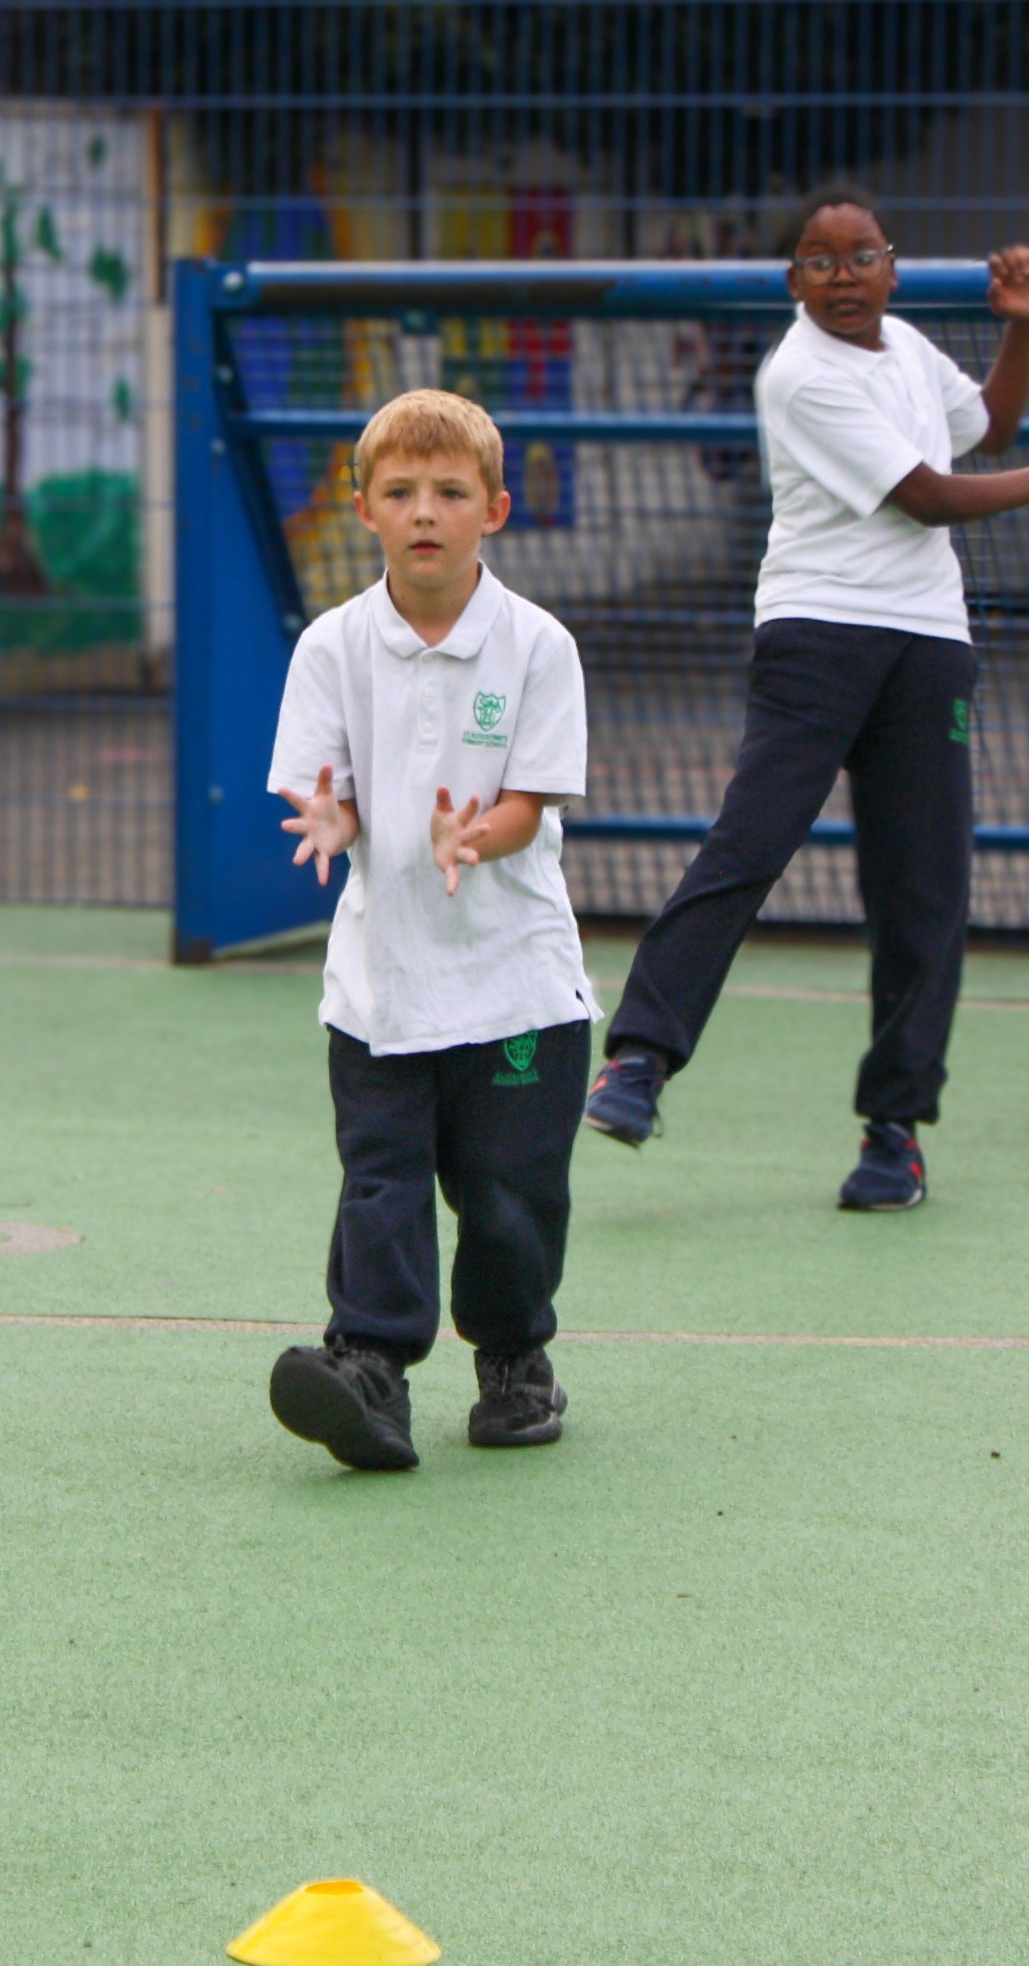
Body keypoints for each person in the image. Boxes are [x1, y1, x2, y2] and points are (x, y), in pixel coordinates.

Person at [581, 186, 1029, 1211]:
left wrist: (1021, 331)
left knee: (924, 891)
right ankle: (637, 1060)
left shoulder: (904, 348)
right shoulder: (799, 375)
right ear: (793, 280)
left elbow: (987, 424)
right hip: (817, 636)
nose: (844, 277)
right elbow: (929, 494)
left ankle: (893, 1134)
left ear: (890, 268)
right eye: (820, 260)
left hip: (929, 647)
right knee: (750, 843)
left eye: (862, 258)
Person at [264, 388, 601, 1472]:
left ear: (494, 509)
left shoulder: (539, 647)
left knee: (508, 1195)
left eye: (450, 493)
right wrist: (337, 818)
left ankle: (514, 1361)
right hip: (381, 988)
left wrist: (476, 835)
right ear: (364, 508)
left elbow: (529, 802)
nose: (425, 512)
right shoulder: (332, 646)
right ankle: (369, 1366)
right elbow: (338, 790)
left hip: (517, 988)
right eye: (400, 492)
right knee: (382, 1181)